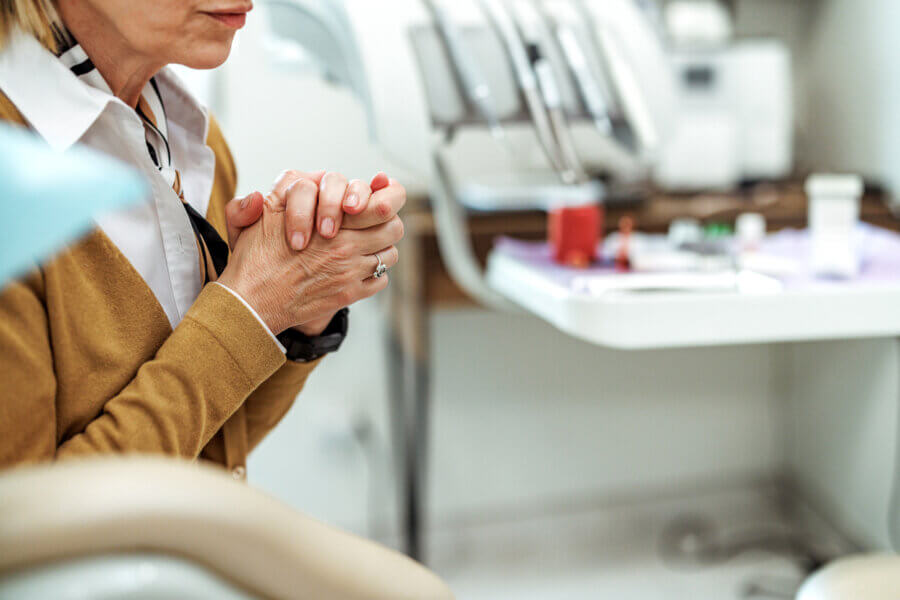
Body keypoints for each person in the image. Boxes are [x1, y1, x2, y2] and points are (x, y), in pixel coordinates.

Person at [0, 0, 405, 478]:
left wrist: (298, 307)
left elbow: (210, 449)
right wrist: (250, 307)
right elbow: (26, 531)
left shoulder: (194, 138)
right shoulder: (14, 179)